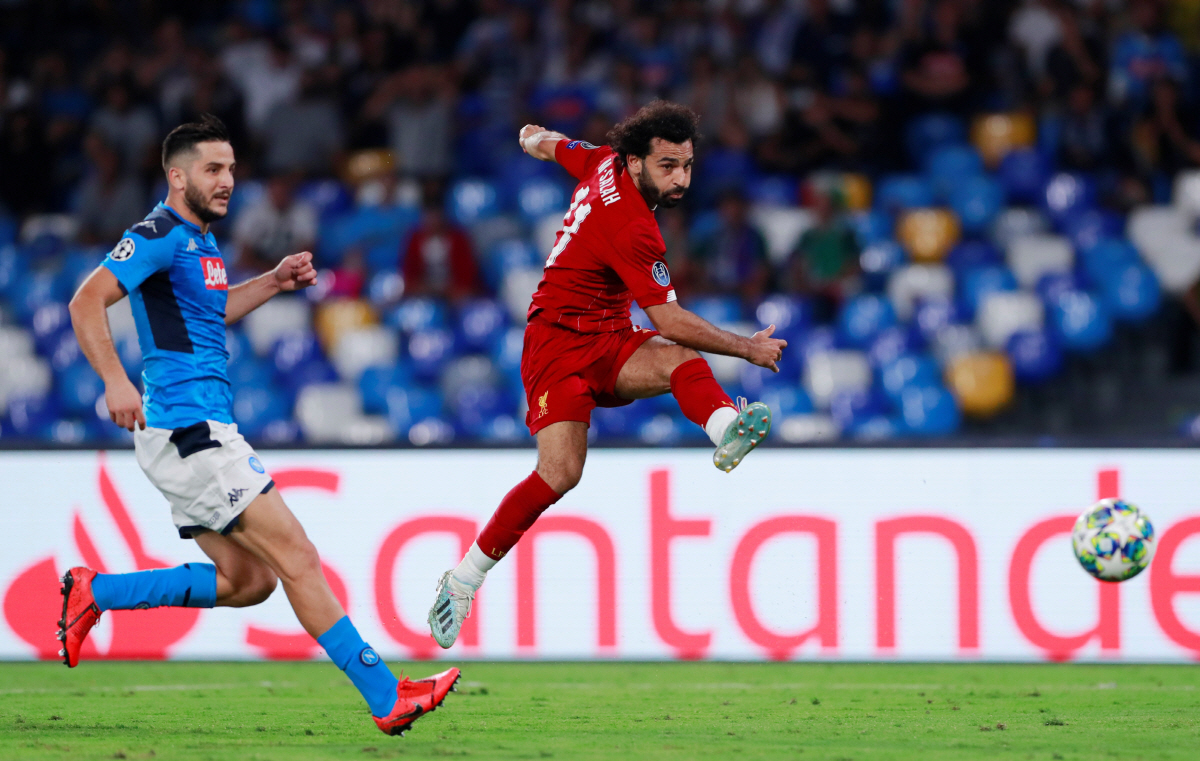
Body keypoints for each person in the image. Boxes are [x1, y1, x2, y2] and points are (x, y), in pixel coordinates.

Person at [57, 115, 457, 737]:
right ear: (177, 176)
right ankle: (387, 694)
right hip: (190, 430)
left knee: (250, 581)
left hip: (195, 430)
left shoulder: (201, 243)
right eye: (213, 169)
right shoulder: (157, 234)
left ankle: (97, 593)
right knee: (298, 555)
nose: (227, 181)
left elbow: (210, 312)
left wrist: (273, 280)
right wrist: (114, 379)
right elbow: (86, 300)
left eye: (231, 169)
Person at [426, 101, 787, 648]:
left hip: (609, 336)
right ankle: (462, 580)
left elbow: (556, 146)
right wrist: (747, 348)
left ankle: (724, 429)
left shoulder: (602, 161)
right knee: (560, 473)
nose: (681, 179)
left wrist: (531, 137)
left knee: (678, 360)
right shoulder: (633, 225)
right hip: (556, 345)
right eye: (668, 166)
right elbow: (669, 319)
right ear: (636, 161)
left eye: (687, 165)